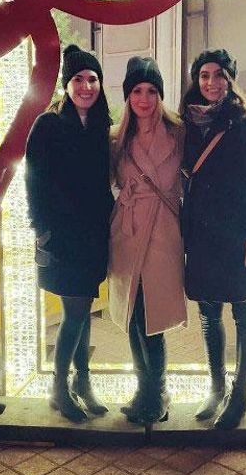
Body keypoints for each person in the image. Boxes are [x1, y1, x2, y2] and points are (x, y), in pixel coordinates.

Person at [180, 49, 246, 429]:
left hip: (240, 233)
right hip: (203, 234)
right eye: (204, 75)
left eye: (219, 75)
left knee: (244, 311)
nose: (211, 82)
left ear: (230, 78)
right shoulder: (189, 120)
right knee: (208, 312)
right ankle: (216, 387)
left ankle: (240, 392)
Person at [25, 44, 113, 422]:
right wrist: (41, 228)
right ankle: (60, 388)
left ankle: (83, 382)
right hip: (61, 237)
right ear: (66, 84)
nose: (86, 86)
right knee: (75, 313)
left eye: (93, 79)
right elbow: (34, 182)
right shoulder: (48, 125)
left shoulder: (102, 126)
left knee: (82, 309)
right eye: (78, 79)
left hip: (93, 236)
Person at [109, 56, 188, 424]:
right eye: (137, 90)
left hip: (162, 232)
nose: (144, 98)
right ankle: (145, 391)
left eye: (152, 90)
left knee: (151, 315)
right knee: (133, 313)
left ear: (160, 94)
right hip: (128, 231)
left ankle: (157, 392)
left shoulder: (179, 133)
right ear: (128, 95)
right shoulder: (116, 138)